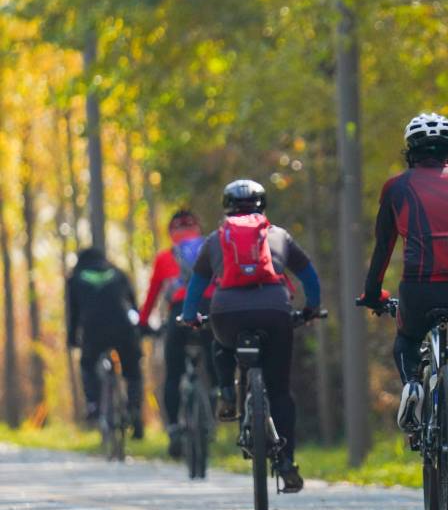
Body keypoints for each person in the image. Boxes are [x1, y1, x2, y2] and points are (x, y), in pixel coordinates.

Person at [359, 112, 448, 491]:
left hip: (419, 288)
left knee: (407, 341)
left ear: (410, 151)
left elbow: (383, 247)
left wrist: (373, 293)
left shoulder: (396, 187)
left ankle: (412, 385)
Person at [179, 180, 322, 493]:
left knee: (221, 344)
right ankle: (286, 462)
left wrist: (190, 317)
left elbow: (195, 288)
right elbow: (309, 277)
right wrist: (311, 309)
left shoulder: (217, 239)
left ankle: (227, 395)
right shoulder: (279, 235)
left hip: (226, 312)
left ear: (226, 207)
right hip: (274, 311)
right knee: (281, 392)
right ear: (263, 205)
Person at [138, 209, 216, 458]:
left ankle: (173, 428)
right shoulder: (212, 251)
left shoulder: (165, 258)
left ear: (172, 233)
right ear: (198, 230)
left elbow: (152, 295)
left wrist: (142, 323)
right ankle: (218, 402)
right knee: (216, 363)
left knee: (173, 372)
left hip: (180, 314)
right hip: (211, 310)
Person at [66, 247, 144, 435]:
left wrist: (72, 339)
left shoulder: (76, 279)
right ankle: (134, 408)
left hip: (93, 331)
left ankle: (93, 405)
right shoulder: (118, 273)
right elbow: (132, 305)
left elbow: (73, 313)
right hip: (122, 327)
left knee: (88, 365)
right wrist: (139, 330)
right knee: (132, 369)